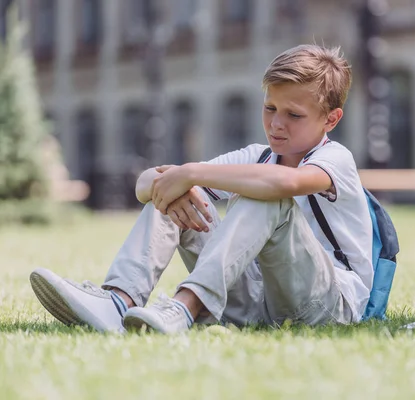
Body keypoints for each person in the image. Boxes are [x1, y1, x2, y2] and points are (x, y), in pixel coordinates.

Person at [29, 44, 374, 334]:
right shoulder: (259, 156)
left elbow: (285, 184)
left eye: (293, 115)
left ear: (331, 119)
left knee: (269, 197)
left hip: (328, 306)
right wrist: (172, 183)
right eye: (269, 108)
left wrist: (191, 172)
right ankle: (119, 300)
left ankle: (185, 308)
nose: (276, 123)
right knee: (178, 195)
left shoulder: (335, 158)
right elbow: (144, 185)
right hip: (257, 300)